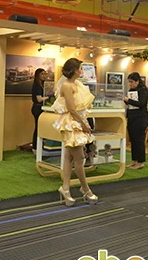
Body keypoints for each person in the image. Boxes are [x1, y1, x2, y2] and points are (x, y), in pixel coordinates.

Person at [51, 58, 98, 206]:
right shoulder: (67, 85)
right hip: (72, 123)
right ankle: (85, 189)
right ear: (74, 70)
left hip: (76, 121)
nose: (81, 71)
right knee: (79, 158)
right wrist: (83, 125)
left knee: (69, 156)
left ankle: (66, 188)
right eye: (79, 68)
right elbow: (71, 109)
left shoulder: (75, 84)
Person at [123, 72, 148, 170]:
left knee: (139, 140)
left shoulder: (143, 90)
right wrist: (126, 101)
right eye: (129, 82)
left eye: (132, 82)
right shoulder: (132, 90)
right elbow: (130, 104)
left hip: (140, 118)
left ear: (137, 81)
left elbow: (141, 103)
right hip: (132, 117)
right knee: (133, 140)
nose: (130, 84)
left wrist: (129, 100)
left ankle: (140, 161)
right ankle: (134, 159)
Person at [31, 68, 47, 150]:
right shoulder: (37, 86)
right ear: (38, 75)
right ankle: (35, 147)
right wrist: (49, 97)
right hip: (37, 108)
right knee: (38, 128)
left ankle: (39, 146)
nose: (44, 75)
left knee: (40, 127)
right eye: (42, 74)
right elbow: (39, 99)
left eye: (45, 74)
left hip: (41, 108)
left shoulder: (43, 85)